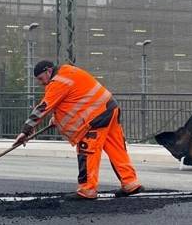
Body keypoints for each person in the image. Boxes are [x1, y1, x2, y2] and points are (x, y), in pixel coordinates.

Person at [16, 60, 142, 200]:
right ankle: (130, 183)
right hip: (110, 108)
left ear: (49, 71)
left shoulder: (58, 82)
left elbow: (43, 107)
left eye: (41, 78)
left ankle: (87, 189)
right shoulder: (68, 72)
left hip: (96, 117)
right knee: (116, 149)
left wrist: (25, 130)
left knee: (87, 151)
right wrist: (56, 119)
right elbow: (73, 99)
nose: (41, 83)